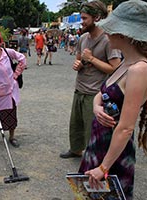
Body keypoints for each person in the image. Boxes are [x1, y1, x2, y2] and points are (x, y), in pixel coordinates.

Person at [79, 1, 147, 199]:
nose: (106, 32)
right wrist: (96, 106)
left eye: (112, 28)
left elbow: (126, 127)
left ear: (125, 34)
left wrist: (103, 167)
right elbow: (103, 93)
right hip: (100, 141)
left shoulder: (139, 69)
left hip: (113, 150)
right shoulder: (127, 62)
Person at [60, 0, 122, 159]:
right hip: (79, 88)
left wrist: (92, 59)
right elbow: (80, 59)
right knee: (76, 124)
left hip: (95, 93)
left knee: (92, 128)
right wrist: (78, 64)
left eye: (85, 18)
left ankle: (93, 157)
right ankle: (75, 149)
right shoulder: (83, 38)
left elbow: (116, 68)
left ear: (97, 17)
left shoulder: (108, 40)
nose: (82, 21)